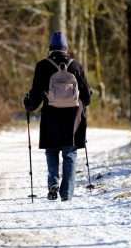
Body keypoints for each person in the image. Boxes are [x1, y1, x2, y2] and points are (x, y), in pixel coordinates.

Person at [24, 31, 91, 201]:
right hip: (72, 119)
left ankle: (53, 184)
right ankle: (67, 193)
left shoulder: (42, 66)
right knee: (69, 154)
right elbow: (87, 97)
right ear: (66, 48)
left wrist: (28, 104)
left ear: (50, 48)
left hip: (50, 117)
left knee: (52, 151)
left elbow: (35, 96)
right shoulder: (76, 66)